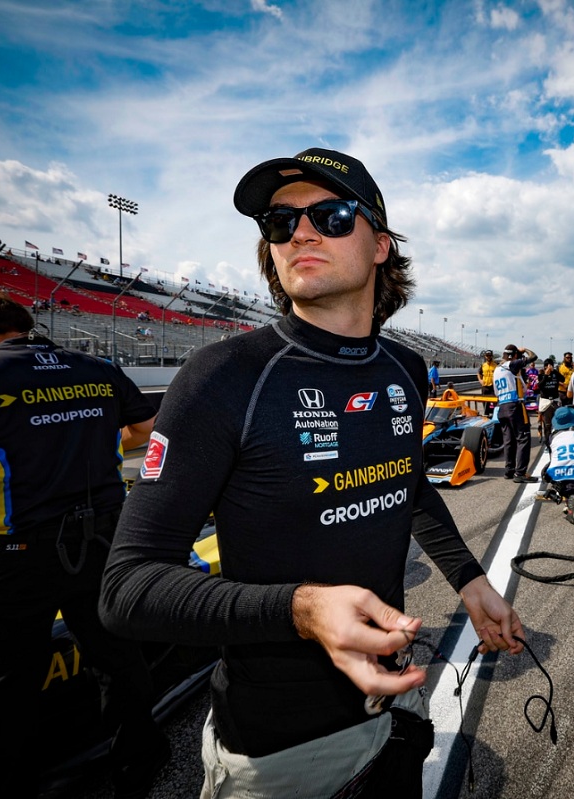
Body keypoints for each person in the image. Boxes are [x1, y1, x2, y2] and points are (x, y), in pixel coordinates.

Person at [98, 146, 523, 798]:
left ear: (380, 245)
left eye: (330, 215)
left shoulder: (404, 371)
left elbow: (405, 484)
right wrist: (300, 609)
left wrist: (468, 579)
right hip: (279, 754)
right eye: (279, 222)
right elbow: (126, 588)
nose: (298, 231)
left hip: (396, 704)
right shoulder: (220, 378)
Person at [0, 291, 167, 798]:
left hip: (19, 554)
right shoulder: (96, 365)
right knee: (119, 662)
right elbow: (147, 430)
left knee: (4, 691)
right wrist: (92, 440)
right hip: (103, 541)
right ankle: (140, 769)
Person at [494, 343, 538, 482]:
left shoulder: (497, 370)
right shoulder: (511, 365)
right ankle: (520, 473)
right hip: (515, 406)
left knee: (509, 440)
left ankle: (509, 470)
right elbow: (534, 357)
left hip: (502, 406)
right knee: (523, 438)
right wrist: (524, 349)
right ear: (514, 356)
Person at [535, 358, 563, 442]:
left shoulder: (555, 374)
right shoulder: (541, 375)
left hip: (555, 400)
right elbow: (539, 386)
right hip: (546, 402)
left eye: (550, 367)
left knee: (558, 424)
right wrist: (546, 375)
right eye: (546, 367)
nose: (548, 369)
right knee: (547, 425)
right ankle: (547, 442)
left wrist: (554, 371)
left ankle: (556, 441)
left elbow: (563, 379)